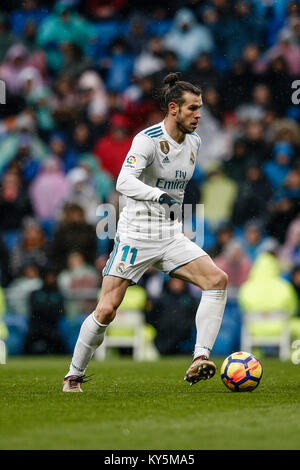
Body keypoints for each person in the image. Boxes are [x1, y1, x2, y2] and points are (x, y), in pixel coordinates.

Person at [62, 72, 228, 392]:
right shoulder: (147, 140)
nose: (199, 114)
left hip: (169, 234)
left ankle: (200, 358)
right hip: (135, 234)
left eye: (200, 108)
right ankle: (73, 375)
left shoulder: (194, 142)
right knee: (107, 308)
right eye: (193, 108)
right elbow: (123, 182)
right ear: (172, 109)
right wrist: (157, 195)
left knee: (217, 280)